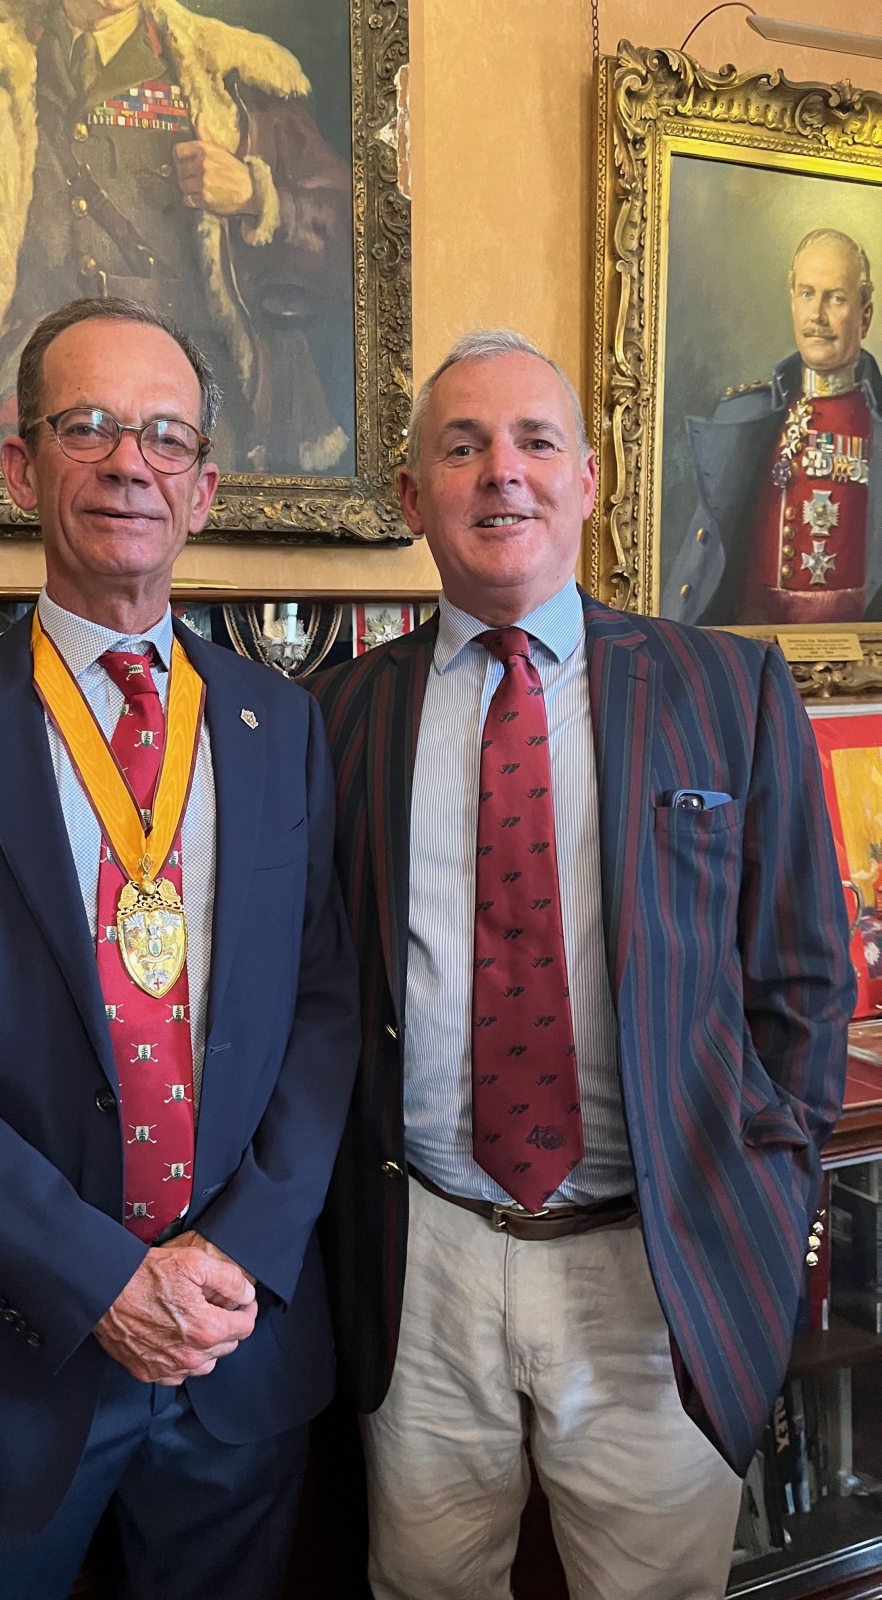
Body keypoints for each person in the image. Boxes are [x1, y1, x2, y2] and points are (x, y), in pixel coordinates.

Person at [0, 296, 360, 1600]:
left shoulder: (287, 727)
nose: (130, 463)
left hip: (237, 1350)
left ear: (206, 488)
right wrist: (100, 1279)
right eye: (90, 428)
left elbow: (324, 1005)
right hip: (13, 1364)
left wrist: (235, 1255)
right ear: (20, 465)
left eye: (166, 437)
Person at [310, 327, 852, 1600]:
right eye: (463, 446)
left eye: (536, 441)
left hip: (656, 1261)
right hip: (425, 1258)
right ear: (412, 497)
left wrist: (764, 1196)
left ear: (591, 478)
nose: (504, 472)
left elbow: (804, 980)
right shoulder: (338, 718)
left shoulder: (729, 688)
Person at [0, 0, 352, 475]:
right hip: (26, 404)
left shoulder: (232, 74)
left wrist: (258, 199)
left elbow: (357, 245)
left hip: (196, 417)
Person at [663, 228, 881, 625]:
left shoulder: (875, 420)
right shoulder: (745, 415)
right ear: (792, 300)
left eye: (835, 298)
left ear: (865, 315)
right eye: (807, 293)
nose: (817, 316)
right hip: (753, 650)